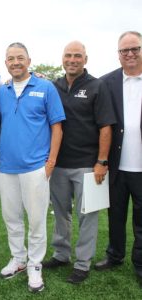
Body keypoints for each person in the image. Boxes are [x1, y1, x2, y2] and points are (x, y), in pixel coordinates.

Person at [42, 41, 116, 284]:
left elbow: (105, 126)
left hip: (88, 164)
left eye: (77, 56)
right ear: (62, 59)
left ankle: (82, 264)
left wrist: (102, 161)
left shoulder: (97, 86)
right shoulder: (55, 86)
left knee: (88, 215)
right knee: (61, 213)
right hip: (60, 164)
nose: (72, 60)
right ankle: (61, 254)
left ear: (85, 59)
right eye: (68, 55)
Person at [0, 42, 65, 293]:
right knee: (11, 218)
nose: (15, 62)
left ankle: (35, 265)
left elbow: (57, 126)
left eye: (20, 58)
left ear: (29, 60)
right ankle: (18, 259)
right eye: (11, 58)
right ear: (6, 62)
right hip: (6, 167)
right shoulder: (1, 91)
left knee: (36, 221)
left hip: (36, 167)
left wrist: (51, 162)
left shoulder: (45, 87)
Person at [95, 31, 142, 286]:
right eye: (125, 50)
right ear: (118, 54)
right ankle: (114, 255)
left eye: (135, 48)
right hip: (116, 164)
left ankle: (140, 263)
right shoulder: (107, 82)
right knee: (115, 215)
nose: (130, 54)